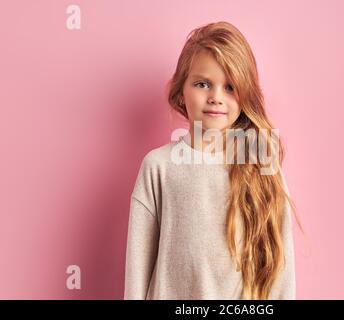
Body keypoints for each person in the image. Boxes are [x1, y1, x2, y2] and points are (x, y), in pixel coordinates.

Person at [124, 21, 303, 300]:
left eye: (230, 87)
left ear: (245, 94)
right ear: (181, 90)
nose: (216, 98)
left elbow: (281, 271)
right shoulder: (158, 167)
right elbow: (137, 269)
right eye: (202, 84)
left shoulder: (262, 165)